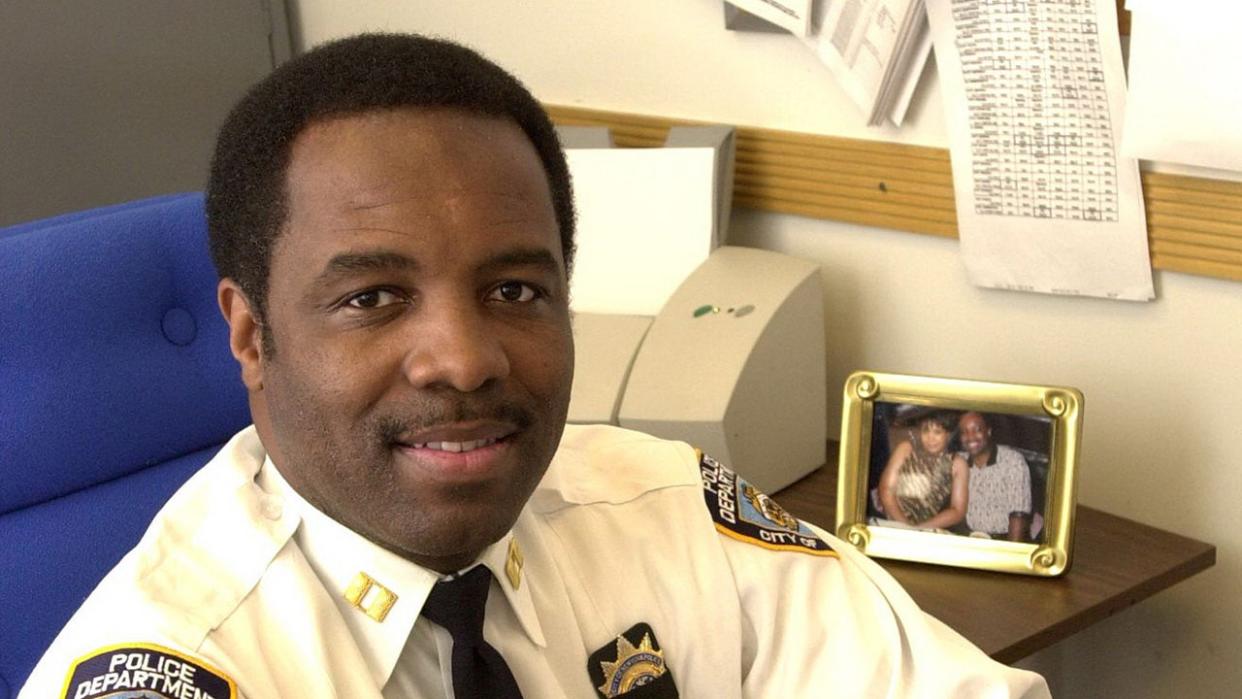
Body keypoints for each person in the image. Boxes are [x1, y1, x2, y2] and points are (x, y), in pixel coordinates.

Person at [19, 34, 1049, 699]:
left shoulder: (666, 508)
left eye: (515, 291)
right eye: (372, 297)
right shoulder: (180, 670)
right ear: (249, 335)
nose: (466, 360)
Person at [877, 410, 971, 530]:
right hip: (890, 520)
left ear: (948, 434)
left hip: (926, 528)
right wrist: (905, 526)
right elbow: (886, 490)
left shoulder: (957, 464)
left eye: (937, 432)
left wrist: (920, 529)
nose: (930, 438)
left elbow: (957, 511)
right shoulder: (906, 449)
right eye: (926, 430)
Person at [959, 411, 1035, 541]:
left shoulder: (1012, 461)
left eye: (977, 430)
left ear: (988, 431)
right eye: (964, 432)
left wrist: (1010, 555)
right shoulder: (960, 461)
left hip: (1004, 540)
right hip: (971, 539)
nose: (970, 437)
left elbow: (1019, 515)